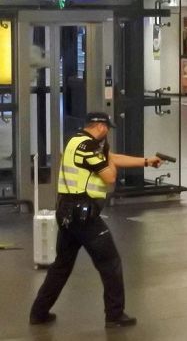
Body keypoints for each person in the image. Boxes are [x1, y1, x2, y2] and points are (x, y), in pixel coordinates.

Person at [30, 112, 164, 328]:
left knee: (62, 265)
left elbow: (112, 158)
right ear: (100, 126)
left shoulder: (75, 141)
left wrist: (146, 161)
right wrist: (108, 159)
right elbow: (110, 176)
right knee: (111, 263)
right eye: (107, 128)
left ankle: (39, 312)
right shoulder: (90, 147)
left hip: (67, 213)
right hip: (85, 217)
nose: (108, 132)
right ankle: (114, 315)